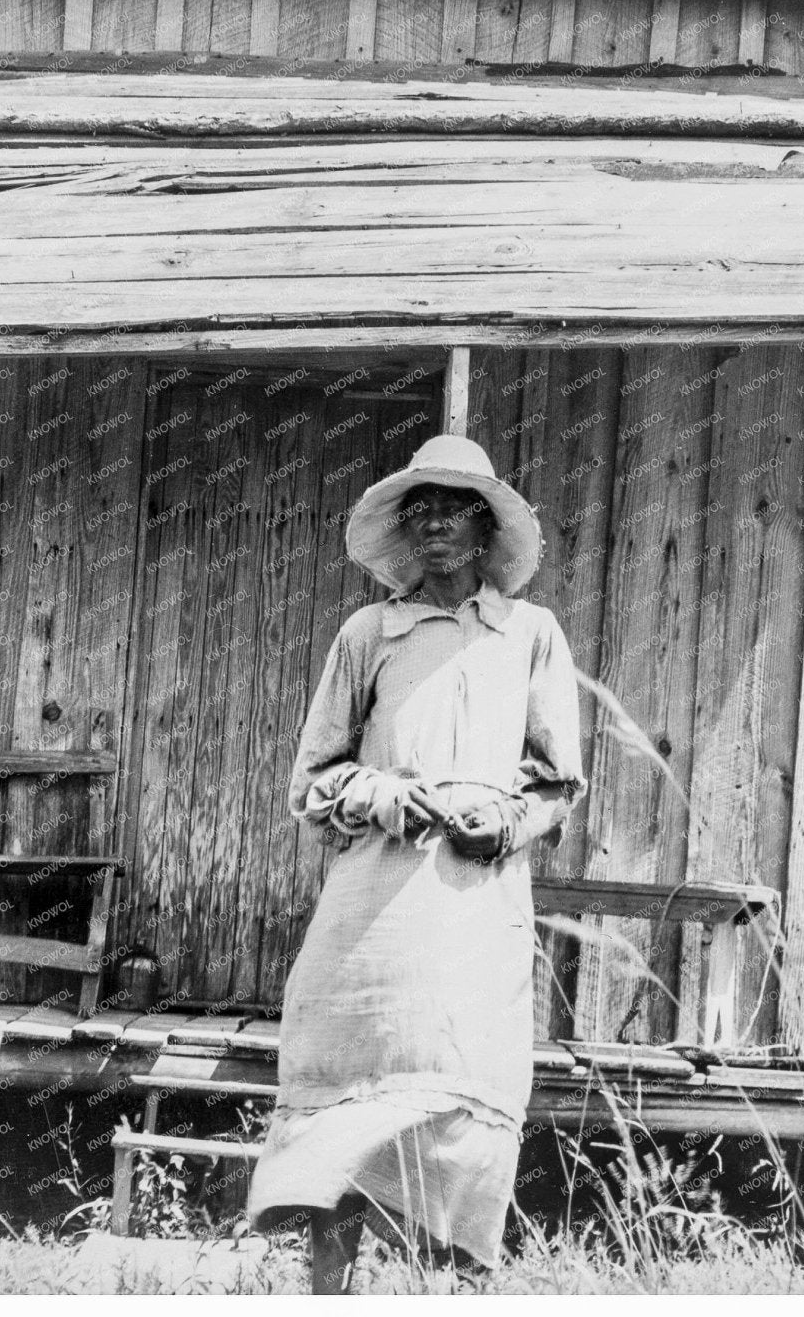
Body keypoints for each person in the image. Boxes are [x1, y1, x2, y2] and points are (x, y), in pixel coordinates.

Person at [243, 433, 588, 1293]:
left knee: (461, 1090)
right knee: (351, 1090)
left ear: (484, 532)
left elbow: (558, 782)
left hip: (475, 903)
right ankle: (329, 1286)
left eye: (455, 511)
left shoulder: (529, 634)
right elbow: (311, 777)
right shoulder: (370, 631)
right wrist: (388, 797)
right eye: (421, 512)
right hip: (376, 905)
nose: (436, 526)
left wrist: (503, 821)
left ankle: (447, 1289)